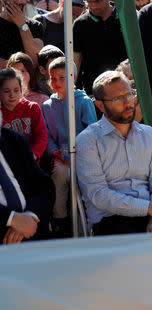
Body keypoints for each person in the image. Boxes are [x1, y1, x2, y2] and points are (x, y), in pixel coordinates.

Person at [76, 71, 152, 235]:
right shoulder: (88, 140)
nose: (128, 103)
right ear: (100, 105)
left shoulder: (149, 135)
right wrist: (151, 209)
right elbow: (99, 196)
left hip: (151, 215)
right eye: (118, 99)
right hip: (111, 220)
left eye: (129, 94)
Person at [41, 57, 97, 236]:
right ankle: (60, 220)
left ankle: (90, 219)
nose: (56, 82)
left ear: (72, 77)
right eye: (53, 78)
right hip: (61, 157)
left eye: (61, 78)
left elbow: (91, 131)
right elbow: (48, 134)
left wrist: (77, 151)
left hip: (83, 155)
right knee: (59, 175)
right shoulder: (48, 106)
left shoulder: (84, 101)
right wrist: (54, 151)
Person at [0, 109, 55, 244]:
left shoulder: (14, 140)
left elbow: (45, 185)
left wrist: (31, 216)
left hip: (33, 230)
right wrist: (12, 219)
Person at [73, 0, 127, 96]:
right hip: (94, 92)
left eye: (97, 2)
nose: (93, 6)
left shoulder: (126, 18)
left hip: (125, 88)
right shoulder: (79, 24)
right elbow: (75, 61)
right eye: (89, 2)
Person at [0, 67, 47, 160]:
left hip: (30, 162)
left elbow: (41, 136)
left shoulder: (32, 108)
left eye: (16, 90)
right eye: (6, 91)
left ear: (22, 89)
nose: (12, 95)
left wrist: (33, 155)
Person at [0, 0, 43, 69]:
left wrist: (22, 25)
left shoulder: (36, 25)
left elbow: (34, 62)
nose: (19, 1)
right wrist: (21, 68)